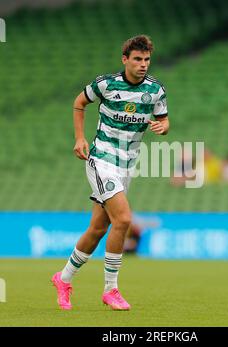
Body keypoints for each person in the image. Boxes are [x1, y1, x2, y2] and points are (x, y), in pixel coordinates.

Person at [51, 35, 169, 311]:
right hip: (102, 159)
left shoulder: (156, 90)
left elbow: (164, 120)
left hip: (127, 164)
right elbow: (79, 102)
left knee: (98, 228)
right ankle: (110, 289)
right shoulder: (106, 84)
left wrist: (164, 127)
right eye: (138, 59)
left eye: (147, 60)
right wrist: (80, 138)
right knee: (124, 219)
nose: (143, 65)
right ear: (125, 60)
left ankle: (63, 278)